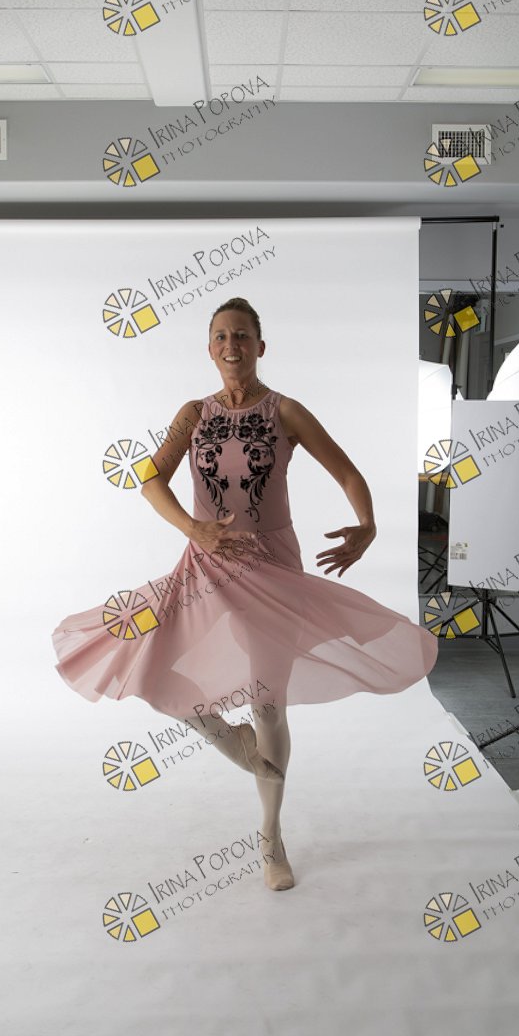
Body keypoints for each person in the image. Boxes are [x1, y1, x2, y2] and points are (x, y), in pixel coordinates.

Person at [52, 297, 438, 891]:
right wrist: (194, 528)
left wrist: (368, 524)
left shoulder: (286, 411)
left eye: (241, 336)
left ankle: (270, 838)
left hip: (273, 566)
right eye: (221, 337)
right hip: (205, 565)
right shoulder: (193, 414)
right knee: (155, 670)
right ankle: (233, 744)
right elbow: (149, 478)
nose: (231, 346)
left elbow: (348, 473)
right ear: (209, 349)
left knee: (267, 703)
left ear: (260, 346)